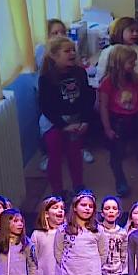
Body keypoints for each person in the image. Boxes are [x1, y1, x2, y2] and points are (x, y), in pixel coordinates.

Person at [98, 45, 138, 197]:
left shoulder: (133, 79)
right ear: (119, 63)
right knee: (117, 155)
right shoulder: (107, 83)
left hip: (135, 120)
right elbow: (103, 107)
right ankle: (120, 181)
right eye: (131, 62)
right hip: (117, 122)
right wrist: (107, 128)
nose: (134, 65)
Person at [39, 35, 95, 196]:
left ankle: (78, 186)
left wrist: (85, 120)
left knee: (75, 155)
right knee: (55, 158)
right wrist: (63, 126)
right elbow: (46, 107)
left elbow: (87, 98)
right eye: (67, 51)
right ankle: (58, 192)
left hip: (76, 120)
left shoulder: (79, 73)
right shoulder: (46, 78)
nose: (72, 53)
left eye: (73, 50)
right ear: (55, 56)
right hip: (54, 123)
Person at [31, 196, 66, 275]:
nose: (60, 210)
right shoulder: (38, 235)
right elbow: (33, 260)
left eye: (62, 208)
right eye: (55, 208)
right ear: (46, 214)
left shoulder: (68, 234)